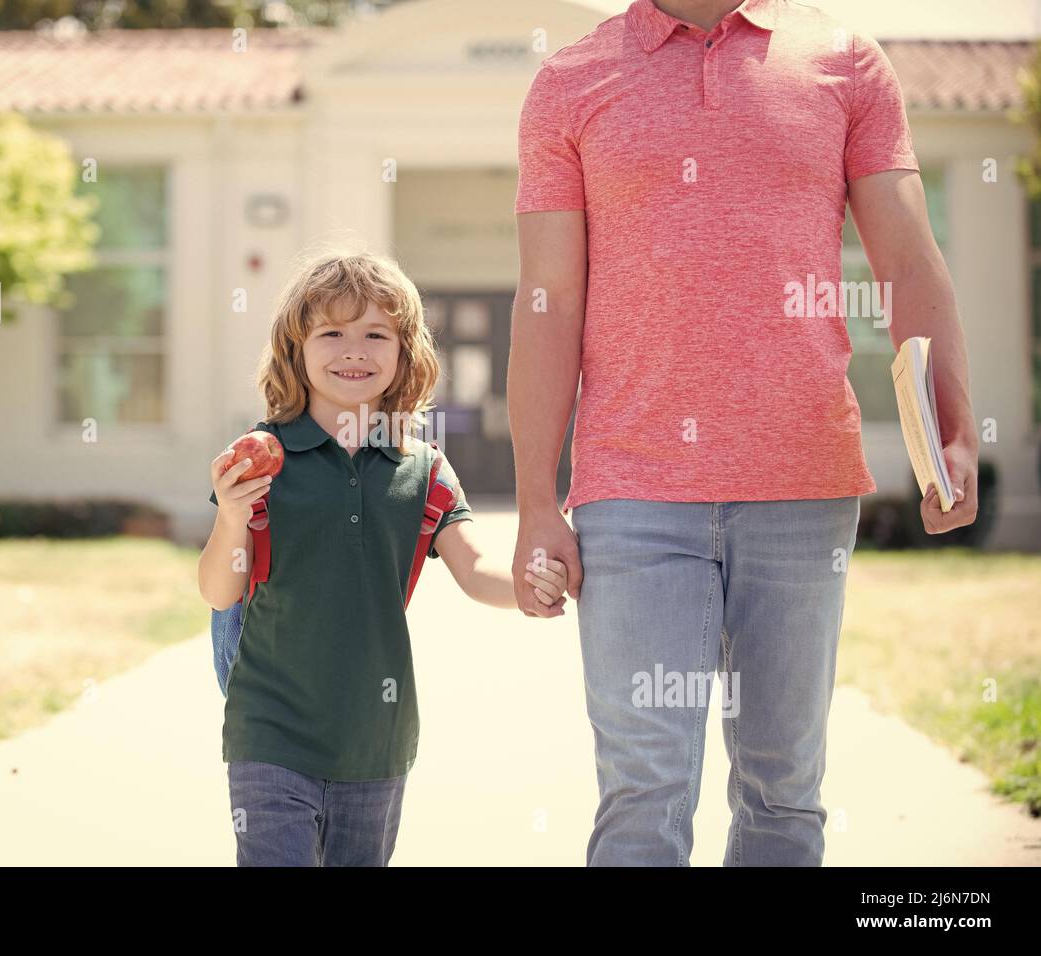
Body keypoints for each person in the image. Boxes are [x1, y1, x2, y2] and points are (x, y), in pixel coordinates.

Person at [509, 0, 979, 865]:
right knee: (644, 788)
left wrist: (952, 429)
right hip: (633, 489)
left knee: (782, 790)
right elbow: (549, 298)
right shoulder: (571, 80)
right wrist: (537, 500)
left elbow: (908, 260)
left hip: (803, 485)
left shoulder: (844, 63)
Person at [198, 250, 570, 866]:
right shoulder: (260, 461)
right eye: (332, 333)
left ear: (406, 354)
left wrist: (529, 587)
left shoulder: (423, 469)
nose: (354, 350)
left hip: (378, 741)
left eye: (376, 334)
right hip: (269, 732)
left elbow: (476, 569)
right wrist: (233, 515)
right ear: (296, 350)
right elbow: (218, 591)